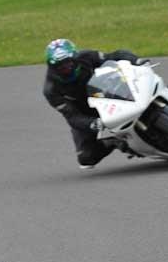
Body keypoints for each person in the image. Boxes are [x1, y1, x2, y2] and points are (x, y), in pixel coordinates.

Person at [43, 38, 147, 169]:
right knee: (86, 158)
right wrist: (91, 123)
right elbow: (72, 117)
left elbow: (114, 56)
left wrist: (136, 60)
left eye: (68, 63)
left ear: (75, 58)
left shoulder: (86, 56)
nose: (66, 68)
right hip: (85, 112)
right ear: (52, 67)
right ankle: (115, 143)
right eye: (60, 67)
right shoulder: (51, 90)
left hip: (108, 94)